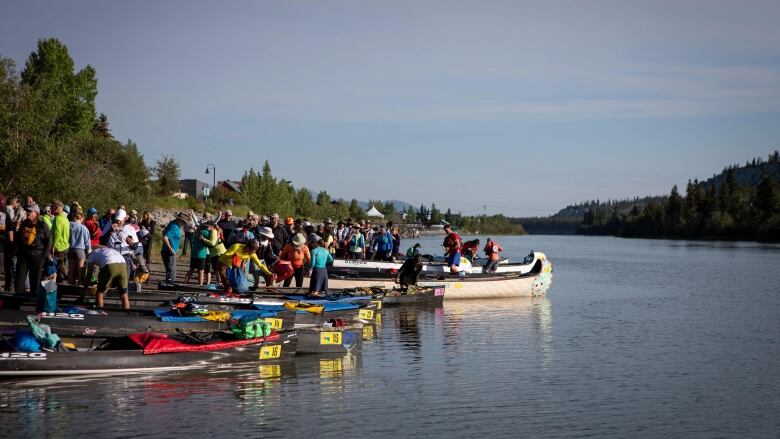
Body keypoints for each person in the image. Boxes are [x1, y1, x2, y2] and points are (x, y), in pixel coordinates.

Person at [15, 203, 52, 296]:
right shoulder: (24, 223)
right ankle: (16, 300)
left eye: (30, 211)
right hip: (23, 256)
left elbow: (49, 241)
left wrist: (44, 256)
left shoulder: (43, 225)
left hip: (37, 256)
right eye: (27, 211)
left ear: (36, 213)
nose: (28, 213)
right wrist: (17, 249)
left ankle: (34, 301)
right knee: (19, 278)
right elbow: (18, 238)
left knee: (35, 280)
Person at [160, 212, 190, 284]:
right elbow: (165, 237)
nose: (184, 224)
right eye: (184, 222)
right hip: (169, 251)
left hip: (166, 250)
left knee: (170, 269)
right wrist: (170, 248)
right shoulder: (174, 227)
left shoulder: (172, 223)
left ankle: (169, 284)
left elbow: (163, 232)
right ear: (180, 220)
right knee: (171, 270)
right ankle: (170, 285)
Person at [67, 211, 91, 285]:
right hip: (80, 251)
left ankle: (70, 287)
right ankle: (79, 287)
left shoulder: (68, 225)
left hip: (71, 249)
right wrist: (88, 253)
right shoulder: (83, 228)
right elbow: (87, 242)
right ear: (81, 218)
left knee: (71, 271)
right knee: (80, 271)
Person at [200, 221, 226, 286]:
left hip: (218, 252)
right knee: (216, 270)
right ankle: (219, 283)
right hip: (214, 252)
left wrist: (203, 239)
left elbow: (212, 243)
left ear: (211, 226)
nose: (206, 227)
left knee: (219, 269)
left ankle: (221, 283)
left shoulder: (213, 231)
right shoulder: (212, 231)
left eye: (207, 226)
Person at [50, 200, 70, 282]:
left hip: (59, 246)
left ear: (57, 208)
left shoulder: (58, 219)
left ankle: (68, 276)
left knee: (59, 265)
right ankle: (62, 282)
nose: (52, 210)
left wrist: (53, 245)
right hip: (65, 245)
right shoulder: (65, 219)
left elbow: (57, 233)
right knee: (61, 265)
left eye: (53, 208)